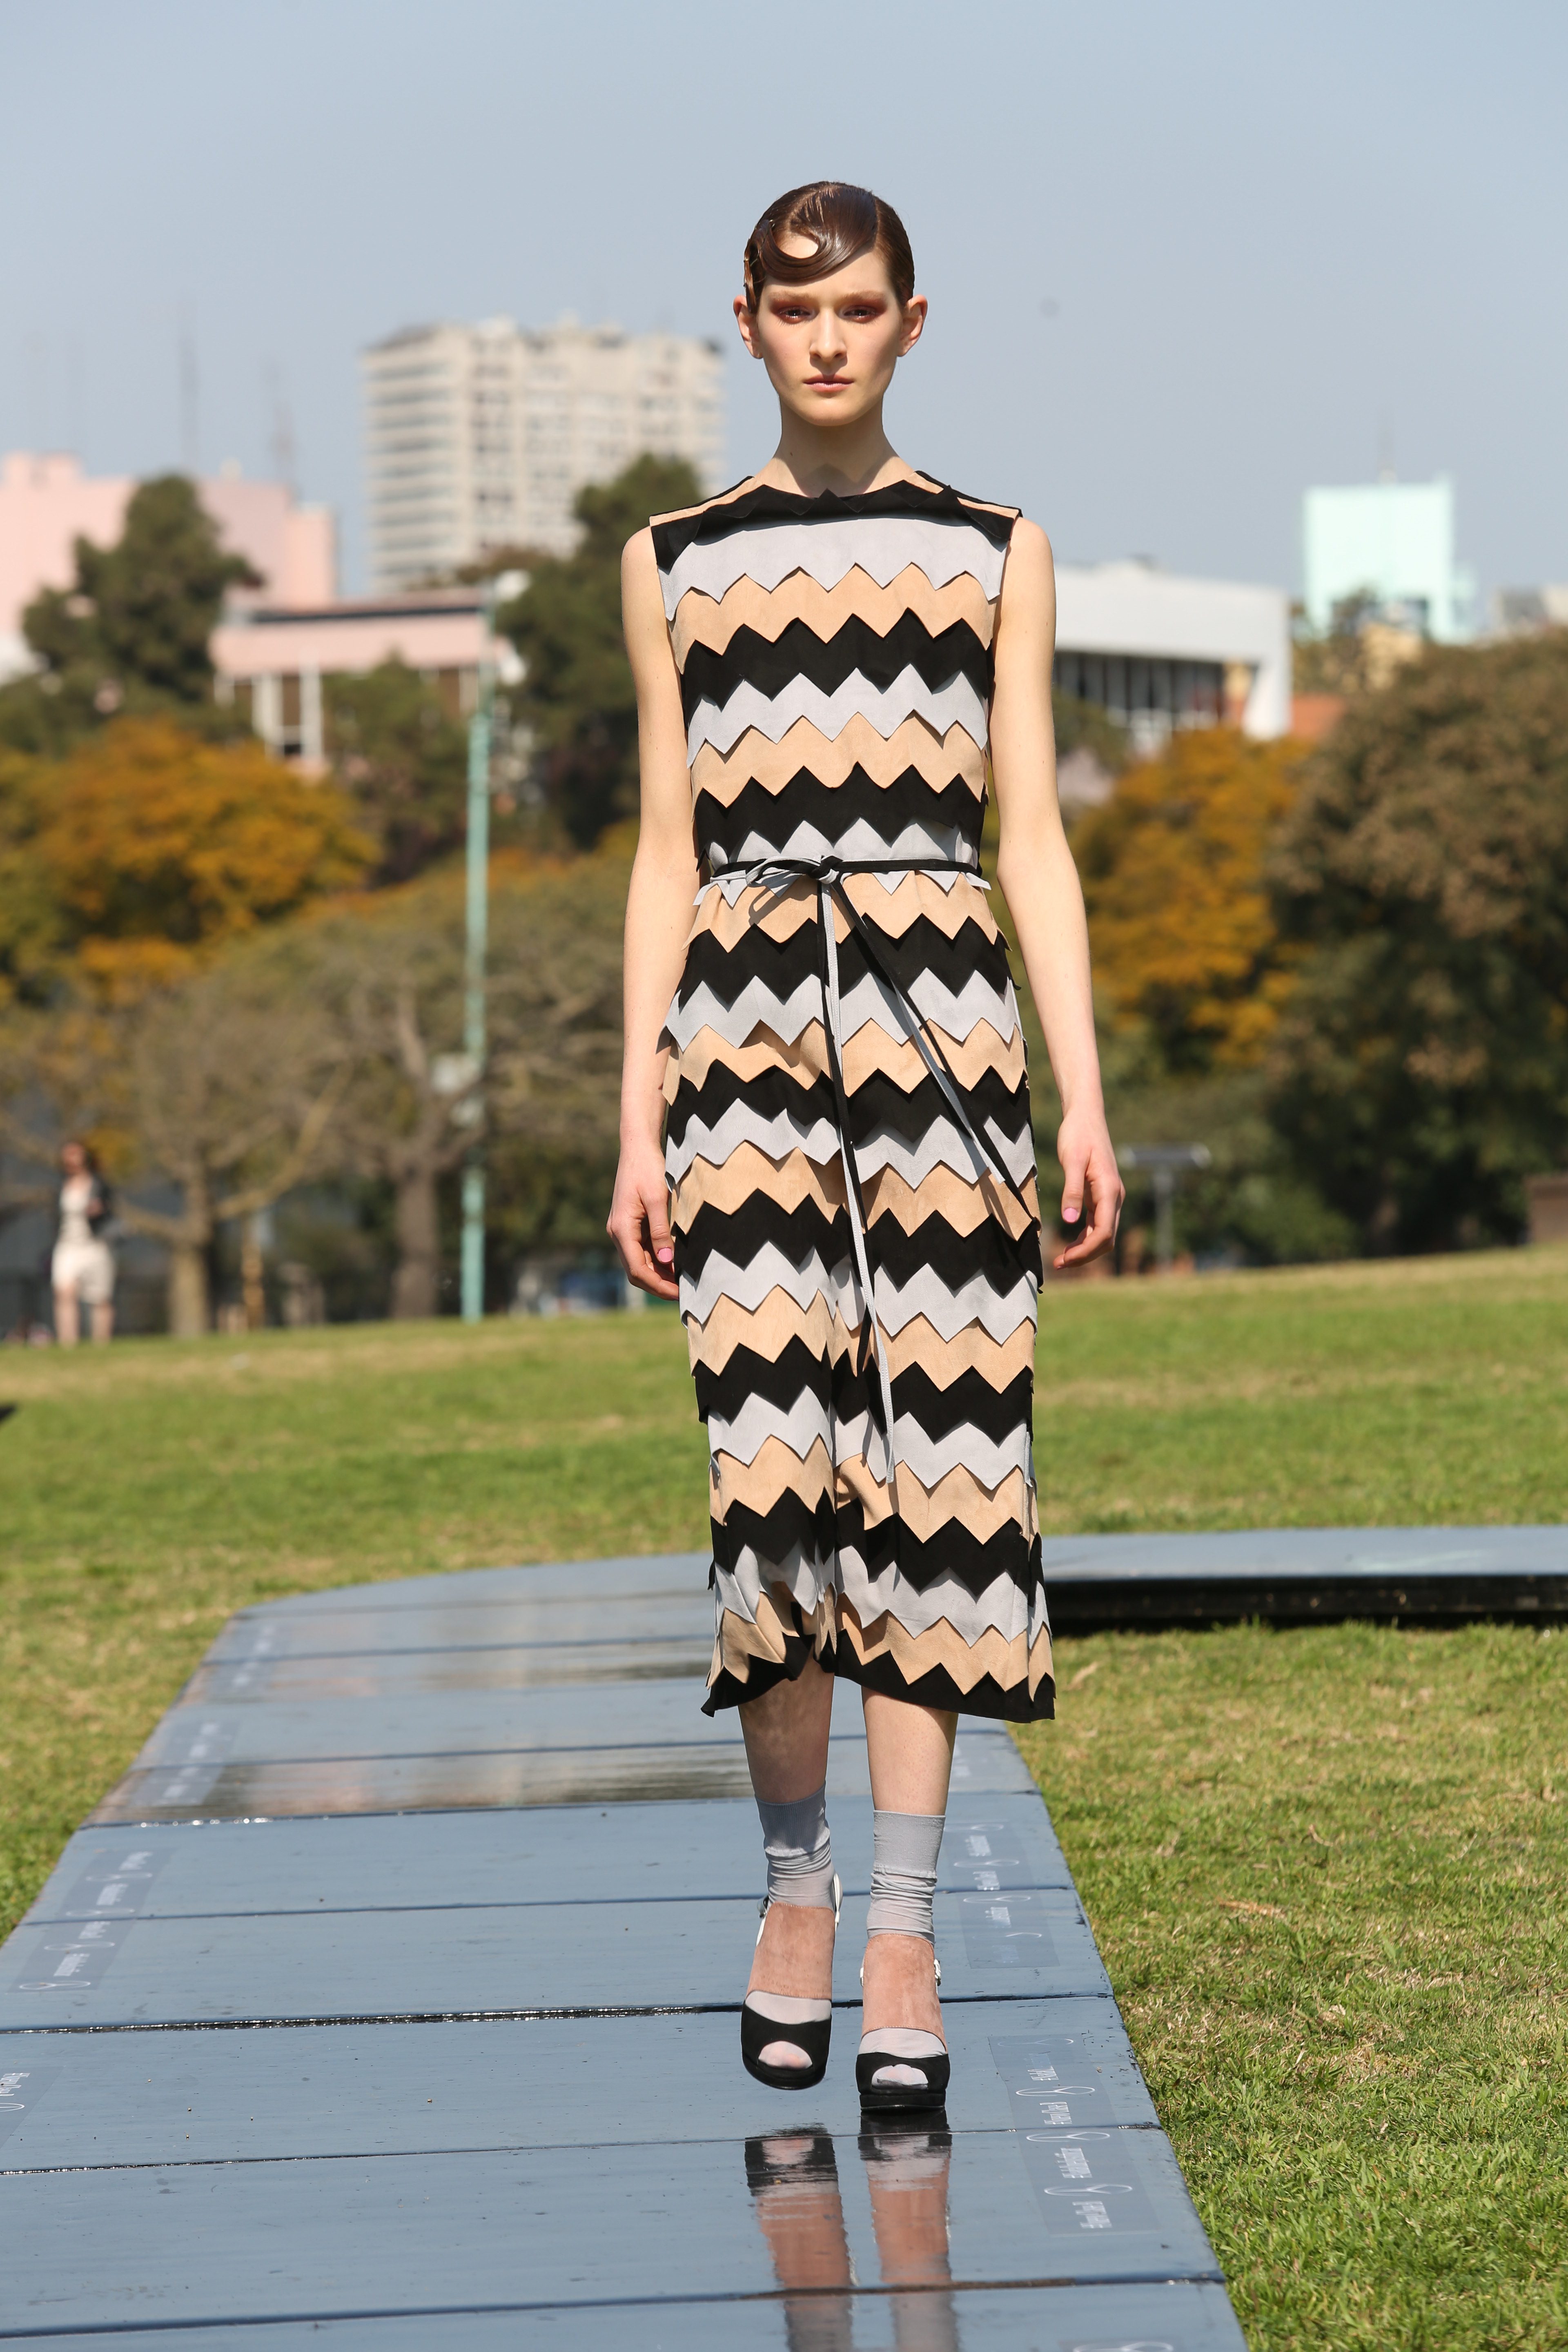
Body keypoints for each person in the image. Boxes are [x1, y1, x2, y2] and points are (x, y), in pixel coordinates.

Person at [609, 181, 1121, 2110]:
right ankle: (797, 1890)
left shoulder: (995, 548)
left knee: (944, 1483)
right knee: (772, 1477)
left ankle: (904, 1928)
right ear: (746, 320)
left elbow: (1031, 837)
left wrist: (1084, 1091)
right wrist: (635, 1118)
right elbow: (665, 850)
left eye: (859, 308)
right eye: (793, 307)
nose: (826, 338)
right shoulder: (672, 558)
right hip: (737, 1040)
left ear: (913, 321)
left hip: (947, 1037)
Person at [52, 1139, 116, 1345]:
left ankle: (101, 1344)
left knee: (100, 1298)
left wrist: (100, 1210)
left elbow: (112, 1210)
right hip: (68, 1245)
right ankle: (68, 1344)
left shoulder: (100, 1184)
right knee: (65, 1292)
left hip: (94, 1244)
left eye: (75, 1154)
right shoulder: (60, 1186)